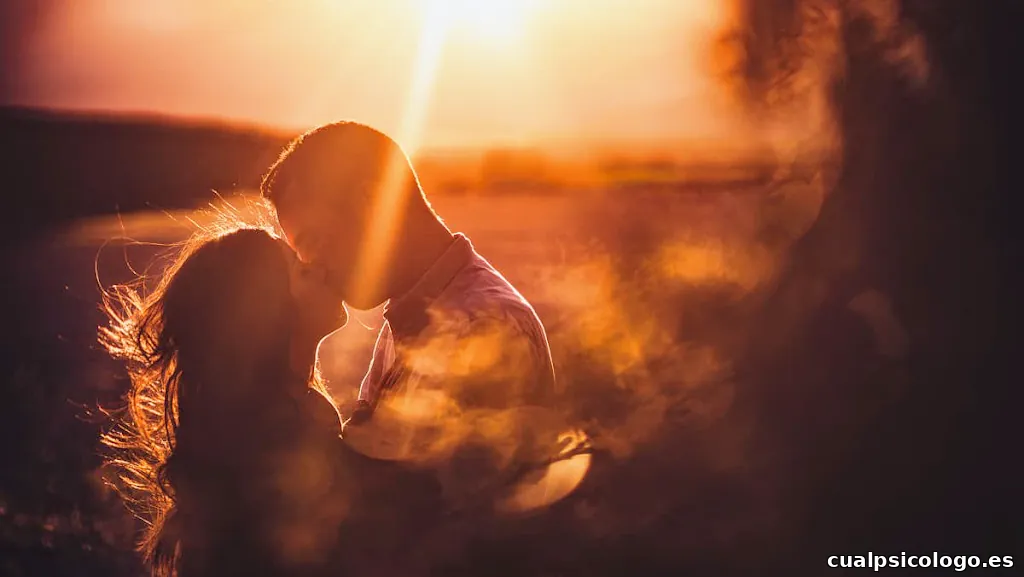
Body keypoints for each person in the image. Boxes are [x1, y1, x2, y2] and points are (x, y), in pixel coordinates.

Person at [261, 122, 563, 501]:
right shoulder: (414, 312)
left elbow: (462, 521)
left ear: (371, 202)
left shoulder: (484, 326)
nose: (313, 265)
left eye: (314, 240)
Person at [99, 227, 351, 577]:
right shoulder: (277, 435)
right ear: (270, 314)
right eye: (303, 272)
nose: (322, 270)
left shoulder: (275, 413)